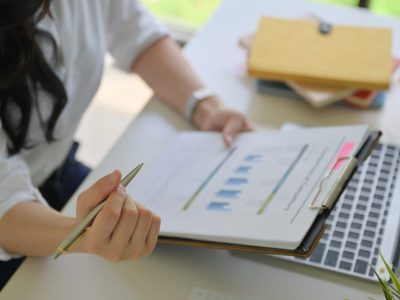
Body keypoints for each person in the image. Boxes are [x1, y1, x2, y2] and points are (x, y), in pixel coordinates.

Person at [0, 0, 253, 289]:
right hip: (13, 219)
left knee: (180, 254)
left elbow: (134, 29)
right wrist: (82, 235)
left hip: (55, 170)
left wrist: (205, 107)